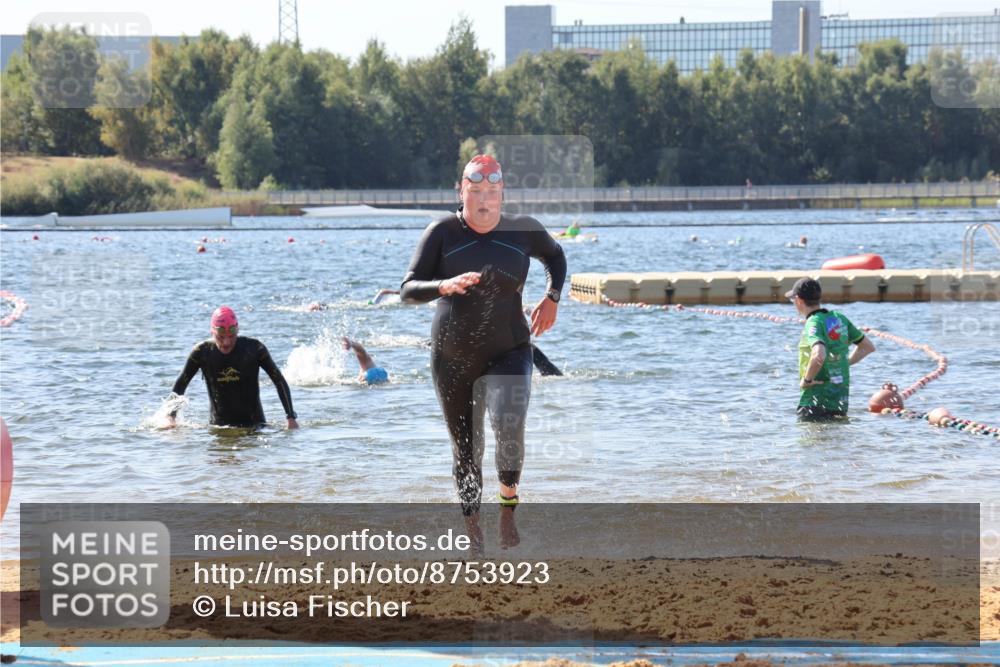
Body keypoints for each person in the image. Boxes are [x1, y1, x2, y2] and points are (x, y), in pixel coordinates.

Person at [401, 154, 567, 545]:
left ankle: (508, 508)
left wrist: (553, 297)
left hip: (509, 347)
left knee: (509, 426)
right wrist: (442, 286)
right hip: (452, 357)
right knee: (466, 449)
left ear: (502, 193)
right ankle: (474, 538)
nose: (484, 199)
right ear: (461, 191)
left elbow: (556, 257)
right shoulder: (442, 232)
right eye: (475, 190)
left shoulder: (523, 231)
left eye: (492, 191)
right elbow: (408, 289)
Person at [166, 306, 299, 429]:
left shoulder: (255, 349)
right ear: (212, 331)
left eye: (231, 336)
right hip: (218, 428)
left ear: (238, 330)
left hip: (254, 426)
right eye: (221, 337)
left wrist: (291, 417)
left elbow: (279, 380)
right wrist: (171, 417)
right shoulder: (202, 352)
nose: (226, 342)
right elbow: (181, 383)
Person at [787, 278, 875, 420]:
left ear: (798, 300)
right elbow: (867, 347)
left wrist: (807, 380)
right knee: (835, 440)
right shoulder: (839, 318)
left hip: (815, 401)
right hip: (839, 401)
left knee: (810, 441)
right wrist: (844, 363)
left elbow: (819, 355)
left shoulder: (813, 322)